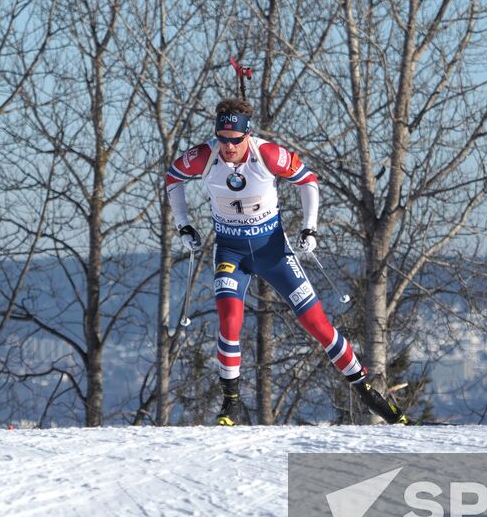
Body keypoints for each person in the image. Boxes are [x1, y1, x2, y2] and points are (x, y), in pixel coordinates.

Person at [164, 97, 409, 425]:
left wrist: (309, 228)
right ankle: (231, 404)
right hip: (231, 252)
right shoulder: (205, 156)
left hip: (273, 251)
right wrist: (183, 225)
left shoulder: (266, 154)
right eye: (222, 139)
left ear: (247, 135)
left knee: (316, 324)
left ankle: (366, 390)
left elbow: (308, 181)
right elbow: (172, 178)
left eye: (235, 140)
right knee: (229, 319)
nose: (228, 147)